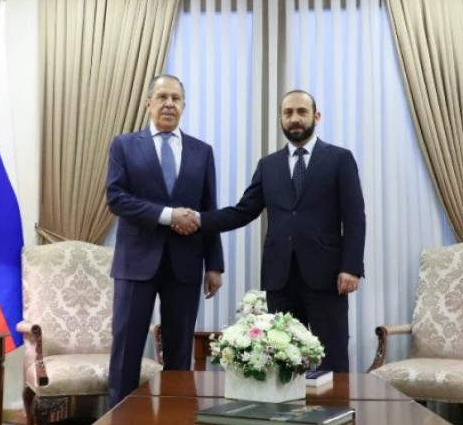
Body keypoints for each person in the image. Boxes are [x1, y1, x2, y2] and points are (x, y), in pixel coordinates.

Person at [187, 90, 365, 371]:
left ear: (316, 116)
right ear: (280, 118)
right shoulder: (268, 165)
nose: (295, 118)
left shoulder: (340, 159)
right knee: (284, 361)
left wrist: (351, 267)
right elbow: (243, 211)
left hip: (327, 277)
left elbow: (355, 218)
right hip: (279, 277)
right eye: (288, 113)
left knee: (332, 360)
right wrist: (198, 219)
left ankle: (336, 403)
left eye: (302, 112)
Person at [105, 74, 224, 406]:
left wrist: (214, 265)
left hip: (186, 264)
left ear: (184, 106)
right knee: (126, 349)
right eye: (162, 97)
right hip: (135, 263)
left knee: (179, 354)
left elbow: (209, 209)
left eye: (175, 98)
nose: (169, 104)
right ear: (148, 104)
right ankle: (120, 423)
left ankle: (177, 421)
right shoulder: (124, 145)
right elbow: (116, 198)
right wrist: (169, 215)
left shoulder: (202, 151)